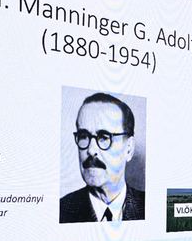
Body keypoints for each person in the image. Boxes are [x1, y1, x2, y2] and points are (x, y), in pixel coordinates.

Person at [60, 93, 145, 223]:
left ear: (129, 148)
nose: (91, 150)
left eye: (104, 137)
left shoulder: (149, 207)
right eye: (83, 136)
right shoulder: (62, 211)